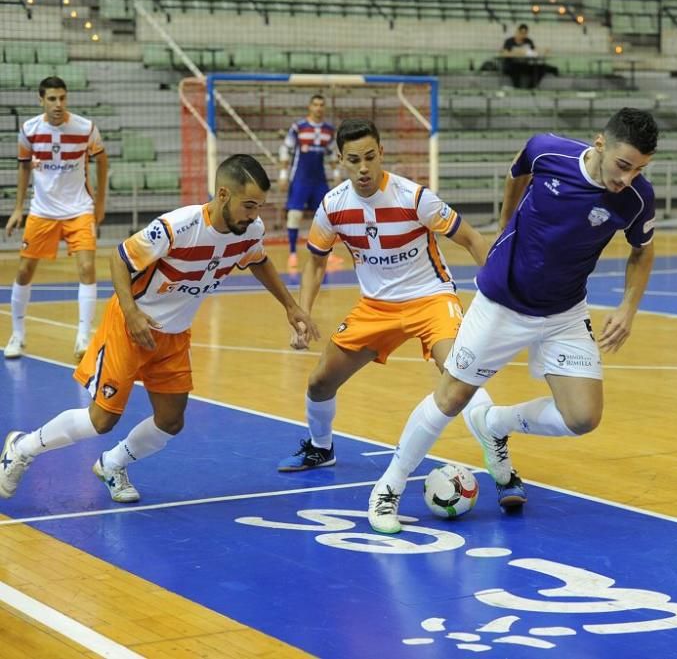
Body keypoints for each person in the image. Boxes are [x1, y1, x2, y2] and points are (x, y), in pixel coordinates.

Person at [367, 108, 659, 534]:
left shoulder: (636, 198)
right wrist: (506, 226)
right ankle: (388, 488)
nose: (628, 178)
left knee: (582, 418)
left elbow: (643, 250)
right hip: (502, 302)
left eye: (640, 170)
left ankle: (495, 425)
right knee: (450, 397)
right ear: (600, 144)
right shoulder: (547, 153)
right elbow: (516, 174)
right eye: (623, 165)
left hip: (564, 313)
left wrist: (628, 307)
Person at [0, 154, 320, 503]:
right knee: (101, 420)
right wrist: (131, 312)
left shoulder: (249, 231)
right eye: (248, 205)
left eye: (259, 206)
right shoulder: (177, 226)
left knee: (171, 421)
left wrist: (291, 306)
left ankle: (112, 463)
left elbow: (258, 260)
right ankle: (22, 447)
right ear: (224, 194)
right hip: (130, 326)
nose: (254, 215)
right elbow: (119, 258)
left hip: (174, 335)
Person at [276, 118, 493, 473]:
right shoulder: (332, 206)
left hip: (431, 299)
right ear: (340, 161)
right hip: (376, 307)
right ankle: (320, 447)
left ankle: (501, 464)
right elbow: (315, 263)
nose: (363, 168)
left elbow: (472, 238)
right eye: (353, 160)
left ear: (381, 153)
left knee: (458, 371)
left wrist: (494, 292)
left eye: (370, 157)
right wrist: (303, 313)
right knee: (319, 382)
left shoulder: (415, 197)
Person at [4, 75, 110, 362]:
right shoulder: (29, 130)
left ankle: (83, 338)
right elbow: (24, 168)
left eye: (62, 98)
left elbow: (102, 160)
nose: (58, 104)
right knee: (25, 271)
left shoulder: (86, 128)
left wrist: (99, 203)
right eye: (52, 99)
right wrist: (18, 208)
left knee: (87, 267)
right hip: (43, 211)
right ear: (41, 101)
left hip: (79, 209)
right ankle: (18, 334)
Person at [277, 94, 339, 272]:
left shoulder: (329, 130)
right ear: (309, 107)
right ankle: (292, 253)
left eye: (321, 105)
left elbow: (332, 154)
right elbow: (286, 150)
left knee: (327, 216)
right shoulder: (299, 127)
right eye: (315, 105)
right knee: (294, 215)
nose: (318, 108)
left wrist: (336, 174)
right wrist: (282, 174)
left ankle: (329, 254)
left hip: (319, 180)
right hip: (300, 179)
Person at [501, 23, 557, 89]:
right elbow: (504, 53)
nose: (523, 35)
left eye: (525, 33)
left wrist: (544, 50)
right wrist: (517, 53)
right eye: (522, 33)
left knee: (541, 68)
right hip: (512, 65)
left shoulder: (528, 41)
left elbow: (535, 50)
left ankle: (531, 87)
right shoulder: (509, 41)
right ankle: (517, 87)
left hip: (525, 64)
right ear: (517, 31)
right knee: (515, 68)